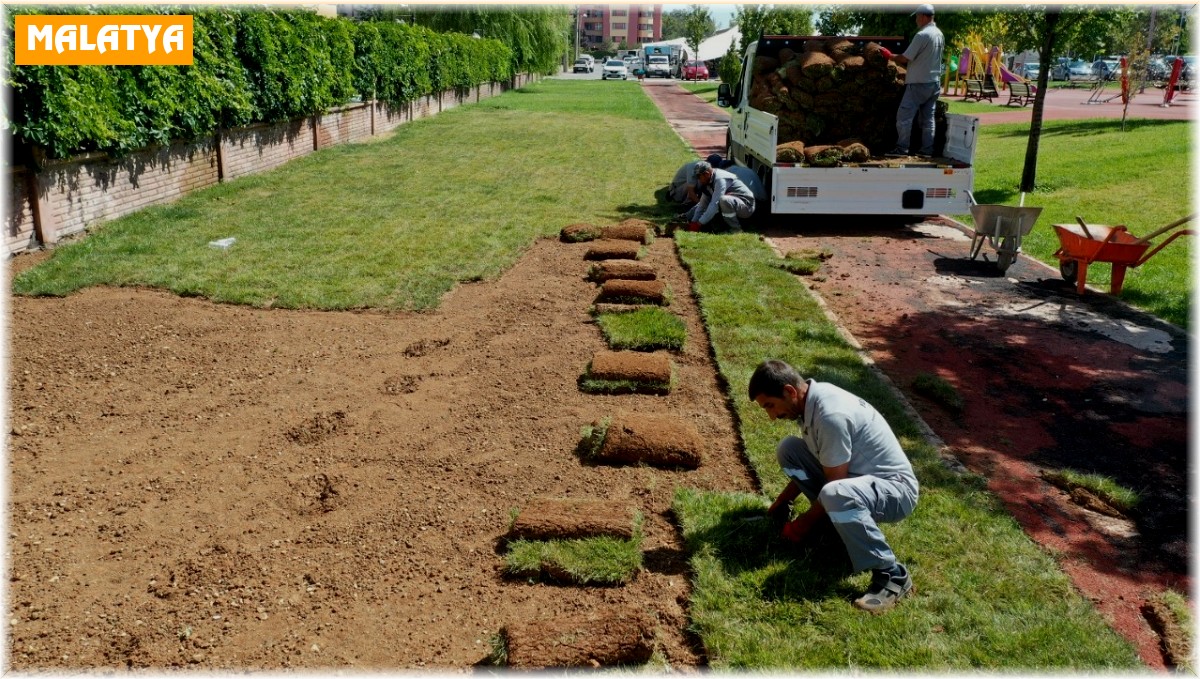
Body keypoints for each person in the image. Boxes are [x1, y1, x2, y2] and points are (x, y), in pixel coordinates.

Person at [748, 359, 919, 614]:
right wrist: (784, 501)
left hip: (896, 491)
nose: (772, 417)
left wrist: (804, 523)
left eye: (771, 406)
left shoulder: (829, 416)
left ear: (790, 392)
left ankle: (892, 574)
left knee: (834, 494)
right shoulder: (811, 402)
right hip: (859, 481)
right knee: (789, 450)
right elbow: (822, 462)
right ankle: (837, 528)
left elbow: (835, 484)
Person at [881, 4, 944, 157]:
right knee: (928, 119)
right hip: (934, 83)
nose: (916, 20)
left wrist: (889, 55)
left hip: (918, 83)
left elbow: (905, 58)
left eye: (917, 17)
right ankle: (927, 151)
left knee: (904, 117)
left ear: (923, 16)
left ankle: (902, 149)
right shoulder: (939, 34)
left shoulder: (922, 35)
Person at [685, 160, 755, 231]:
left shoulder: (720, 179)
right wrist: (694, 222)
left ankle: (736, 229)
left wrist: (699, 223)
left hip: (746, 206)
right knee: (715, 204)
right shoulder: (708, 181)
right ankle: (721, 228)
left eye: (699, 177)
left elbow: (714, 204)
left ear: (706, 174)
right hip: (735, 204)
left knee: (723, 200)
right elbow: (702, 205)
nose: (698, 180)